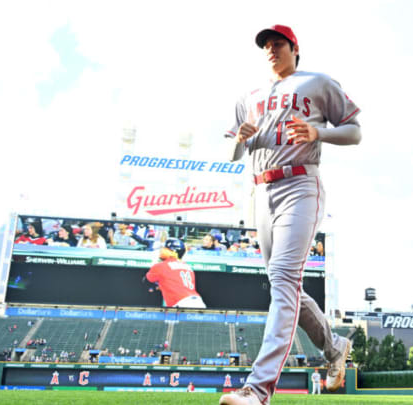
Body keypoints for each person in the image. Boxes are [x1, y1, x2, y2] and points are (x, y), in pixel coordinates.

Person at [219, 24, 360, 405]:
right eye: (265, 44)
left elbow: (354, 131)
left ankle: (257, 390)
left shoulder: (316, 82)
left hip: (300, 184)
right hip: (261, 191)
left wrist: (319, 134)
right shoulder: (248, 95)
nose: (270, 49)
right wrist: (240, 140)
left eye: (277, 43)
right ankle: (334, 348)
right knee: (287, 287)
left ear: (295, 49)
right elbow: (233, 155)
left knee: (282, 277)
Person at [144, 238, 206, 308]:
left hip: (180, 304)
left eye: (166, 249)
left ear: (174, 253)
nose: (162, 250)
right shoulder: (187, 266)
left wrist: (153, 287)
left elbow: (146, 280)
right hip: (198, 302)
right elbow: (174, 283)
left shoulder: (161, 266)